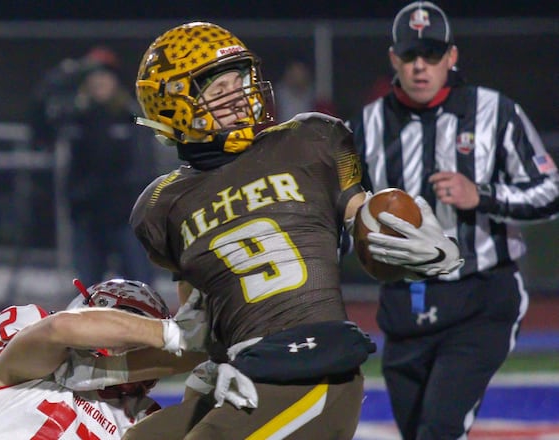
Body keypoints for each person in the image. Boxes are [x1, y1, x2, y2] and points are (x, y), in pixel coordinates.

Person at [123, 21, 462, 440]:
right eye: (218, 88)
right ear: (172, 105)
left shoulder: (309, 141)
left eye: (239, 79)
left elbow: (363, 218)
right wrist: (208, 362)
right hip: (249, 372)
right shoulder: (161, 205)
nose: (238, 94)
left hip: (313, 364)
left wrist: (421, 247)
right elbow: (198, 319)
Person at [348, 2, 559, 439]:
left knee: (439, 430)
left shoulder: (495, 113)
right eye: (410, 55)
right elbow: (341, 211)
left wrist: (480, 195)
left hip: (481, 296)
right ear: (394, 59)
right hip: (404, 303)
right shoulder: (367, 126)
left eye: (431, 54)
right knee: (418, 432)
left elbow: (551, 191)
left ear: (451, 56)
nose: (420, 66)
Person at [0, 278, 207, 439]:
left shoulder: (142, 415)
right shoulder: (37, 364)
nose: (127, 336)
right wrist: (172, 334)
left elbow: (202, 425)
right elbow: (59, 328)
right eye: (124, 322)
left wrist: (207, 369)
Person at [66, 47, 158, 286]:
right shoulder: (78, 118)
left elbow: (143, 165)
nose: (98, 82)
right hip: (89, 215)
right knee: (88, 288)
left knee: (139, 283)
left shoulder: (131, 116)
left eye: (104, 75)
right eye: (92, 77)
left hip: (126, 215)